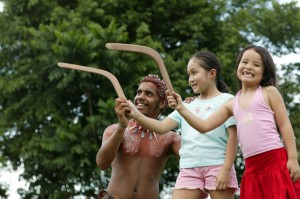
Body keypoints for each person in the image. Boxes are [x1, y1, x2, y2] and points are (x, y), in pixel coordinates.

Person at [167, 45, 300, 199]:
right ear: (238, 66)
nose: (249, 67)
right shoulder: (231, 103)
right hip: (251, 168)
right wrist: (181, 108)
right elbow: (204, 126)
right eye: (245, 62)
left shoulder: (269, 92)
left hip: (275, 162)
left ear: (264, 72)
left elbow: (285, 126)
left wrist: (292, 158)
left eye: (256, 65)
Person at [127, 51, 239, 199]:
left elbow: (233, 136)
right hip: (189, 168)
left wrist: (226, 169)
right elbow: (161, 127)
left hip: (218, 166)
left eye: (194, 73)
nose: (190, 79)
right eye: (189, 75)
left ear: (212, 73)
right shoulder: (186, 105)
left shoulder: (227, 100)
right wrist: (136, 114)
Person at [96, 74, 181, 199]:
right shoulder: (114, 130)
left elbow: (196, 161)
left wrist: (188, 110)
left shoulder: (171, 138)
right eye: (139, 92)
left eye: (148, 94)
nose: (140, 97)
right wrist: (121, 127)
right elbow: (102, 164)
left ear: (163, 103)